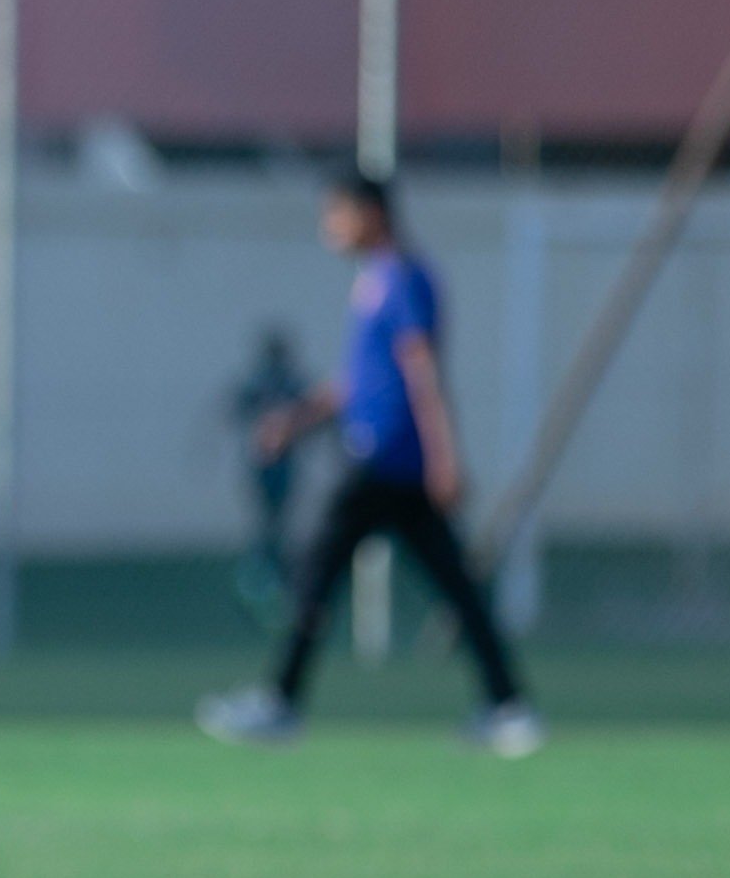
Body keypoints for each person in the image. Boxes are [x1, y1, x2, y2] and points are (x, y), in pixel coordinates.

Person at [196, 171, 542, 757]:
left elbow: (422, 371)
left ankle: (281, 703)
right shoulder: (374, 282)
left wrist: (445, 457)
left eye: (338, 214)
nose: (330, 226)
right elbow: (356, 383)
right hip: (384, 465)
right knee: (450, 586)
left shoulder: (403, 279)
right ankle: (507, 706)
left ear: (371, 214)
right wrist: (296, 419)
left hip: (385, 462)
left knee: (317, 576)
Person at [227, 325, 310, 618]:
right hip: (268, 467)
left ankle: (269, 583)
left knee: (275, 527)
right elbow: (237, 408)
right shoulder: (275, 383)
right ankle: (262, 584)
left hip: (278, 467)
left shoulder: (280, 383)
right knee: (271, 528)